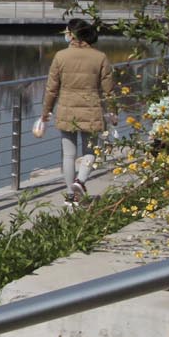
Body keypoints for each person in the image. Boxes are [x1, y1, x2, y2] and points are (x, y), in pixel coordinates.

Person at [36, 17, 112, 203]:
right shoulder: (100, 57)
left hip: (66, 108)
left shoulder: (60, 56)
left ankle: (71, 195)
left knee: (68, 154)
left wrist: (46, 111)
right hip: (91, 107)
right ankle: (81, 180)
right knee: (91, 149)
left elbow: (51, 88)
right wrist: (113, 111)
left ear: (72, 35)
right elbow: (108, 88)